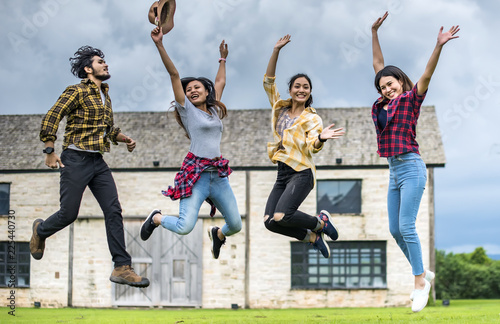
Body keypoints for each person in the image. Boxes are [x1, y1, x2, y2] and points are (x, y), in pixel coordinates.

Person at [31, 46, 150, 288]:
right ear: (88, 69)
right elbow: (53, 116)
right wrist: (49, 150)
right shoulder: (76, 91)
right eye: (100, 62)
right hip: (75, 158)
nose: (106, 64)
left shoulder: (105, 96)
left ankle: (122, 266)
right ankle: (41, 231)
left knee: (114, 210)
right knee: (69, 214)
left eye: (105, 62)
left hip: (98, 162)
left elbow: (109, 130)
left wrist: (124, 138)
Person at [371, 12, 459, 312]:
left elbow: (427, 74)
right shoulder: (380, 105)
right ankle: (424, 272)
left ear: (400, 82)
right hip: (394, 171)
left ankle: (420, 282)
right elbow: (378, 67)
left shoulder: (411, 99)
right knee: (395, 230)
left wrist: (439, 46)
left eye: (391, 83)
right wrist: (373, 33)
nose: (387, 88)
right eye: (382, 86)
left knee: (407, 226)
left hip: (412, 167)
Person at [140, 26, 242, 260]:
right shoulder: (187, 111)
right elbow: (174, 75)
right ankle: (156, 218)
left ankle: (218, 235)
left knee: (235, 225)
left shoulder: (214, 111)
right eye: (188, 90)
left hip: (218, 175)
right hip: (195, 175)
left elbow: (220, 81)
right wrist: (159, 44)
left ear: (207, 92)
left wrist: (222, 58)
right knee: (185, 226)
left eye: (197, 88)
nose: (192, 91)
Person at [263, 35, 345, 259]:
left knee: (282, 215)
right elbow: (268, 82)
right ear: (290, 90)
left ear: (309, 92)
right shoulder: (279, 107)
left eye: (305, 87)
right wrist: (276, 50)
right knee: (270, 222)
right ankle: (313, 237)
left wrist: (321, 137)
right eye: (297, 86)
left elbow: (312, 147)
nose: (301, 90)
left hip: (301, 172)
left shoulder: (313, 118)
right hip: (282, 173)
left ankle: (321, 222)